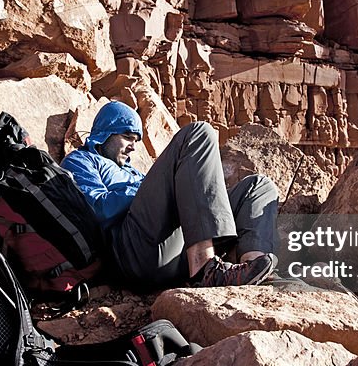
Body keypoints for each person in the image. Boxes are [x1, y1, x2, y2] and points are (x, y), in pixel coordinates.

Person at [61, 101, 279, 290]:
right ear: (106, 132)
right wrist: (141, 188)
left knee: (259, 186)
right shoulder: (80, 161)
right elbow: (95, 210)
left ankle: (253, 266)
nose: (133, 148)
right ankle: (204, 268)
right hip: (134, 253)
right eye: (127, 137)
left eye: (136, 140)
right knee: (199, 133)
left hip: (174, 251)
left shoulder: (132, 171)